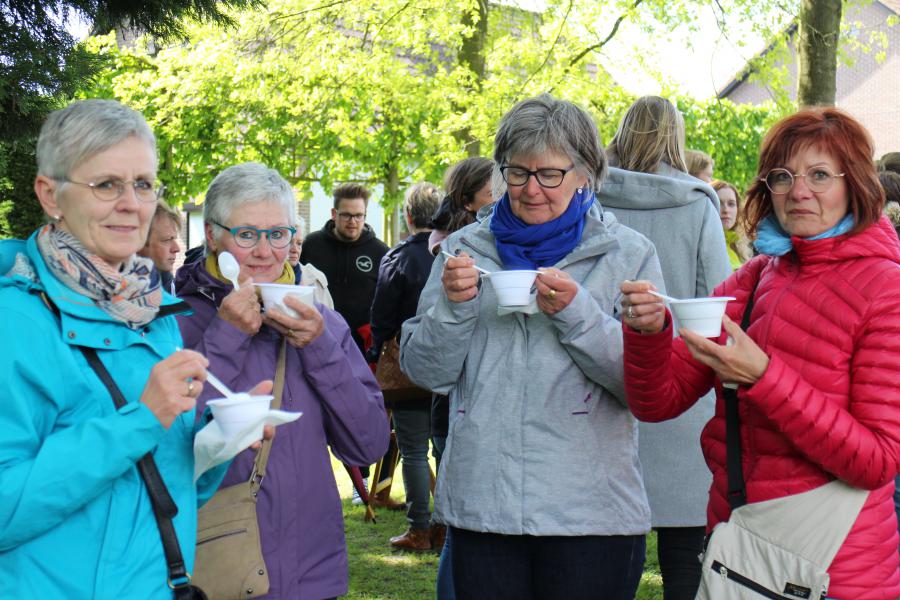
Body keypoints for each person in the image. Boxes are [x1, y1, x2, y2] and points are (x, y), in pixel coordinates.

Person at [621, 107, 900, 599]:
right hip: (744, 552)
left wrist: (764, 378)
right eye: (783, 176)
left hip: (836, 565)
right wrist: (648, 333)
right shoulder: (755, 278)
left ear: (854, 183)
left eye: (819, 175)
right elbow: (657, 402)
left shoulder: (886, 287)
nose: (799, 191)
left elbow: (876, 462)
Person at [0, 99, 271, 597]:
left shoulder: (153, 311)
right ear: (50, 194)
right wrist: (143, 419)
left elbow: (159, 483)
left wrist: (216, 442)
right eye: (106, 184)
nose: (131, 203)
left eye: (144, 184)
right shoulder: (12, 321)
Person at [401, 93, 665, 599]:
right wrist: (454, 307)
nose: (531, 190)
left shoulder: (627, 254)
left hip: (591, 514)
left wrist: (578, 314)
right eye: (517, 173)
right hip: (485, 508)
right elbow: (425, 371)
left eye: (550, 175)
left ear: (585, 173)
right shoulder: (464, 250)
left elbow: (644, 386)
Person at [175, 162, 390, 600]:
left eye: (278, 234)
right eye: (247, 233)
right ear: (213, 236)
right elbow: (166, 446)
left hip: (312, 572)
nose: (264, 251)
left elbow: (367, 445)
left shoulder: (323, 323)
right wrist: (227, 335)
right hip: (218, 572)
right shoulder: (175, 320)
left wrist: (319, 346)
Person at [601, 94, 731, 600]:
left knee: (609, 560)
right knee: (685, 560)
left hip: (608, 377)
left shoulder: (590, 195)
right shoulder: (697, 201)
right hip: (680, 384)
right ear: (675, 136)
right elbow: (716, 295)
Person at [370, 182, 441, 551]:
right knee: (445, 449)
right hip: (448, 361)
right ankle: (446, 527)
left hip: (408, 365)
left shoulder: (397, 258)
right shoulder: (454, 251)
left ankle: (419, 528)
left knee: (413, 450)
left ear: (408, 216)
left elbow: (381, 316)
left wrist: (375, 351)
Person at [300, 182, 389, 355]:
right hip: (316, 341)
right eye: (346, 215)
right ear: (334, 214)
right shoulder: (311, 245)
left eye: (358, 216)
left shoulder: (380, 252)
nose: (353, 222)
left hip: (363, 349)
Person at [428, 157, 495, 255]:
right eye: (493, 194)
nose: (504, 199)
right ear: (467, 203)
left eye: (504, 191)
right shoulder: (453, 248)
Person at [287, 216, 333, 308]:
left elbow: (329, 320)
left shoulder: (315, 279)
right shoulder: (259, 277)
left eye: (299, 243)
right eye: (289, 242)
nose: (295, 249)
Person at [138, 199, 182, 294]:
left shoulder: (171, 288)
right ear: (140, 241)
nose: (176, 248)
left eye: (174, 239)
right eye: (167, 240)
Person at [712, 180, 753, 270]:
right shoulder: (705, 245)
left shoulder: (740, 245)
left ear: (738, 210)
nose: (726, 210)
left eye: (731, 204)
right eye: (719, 203)